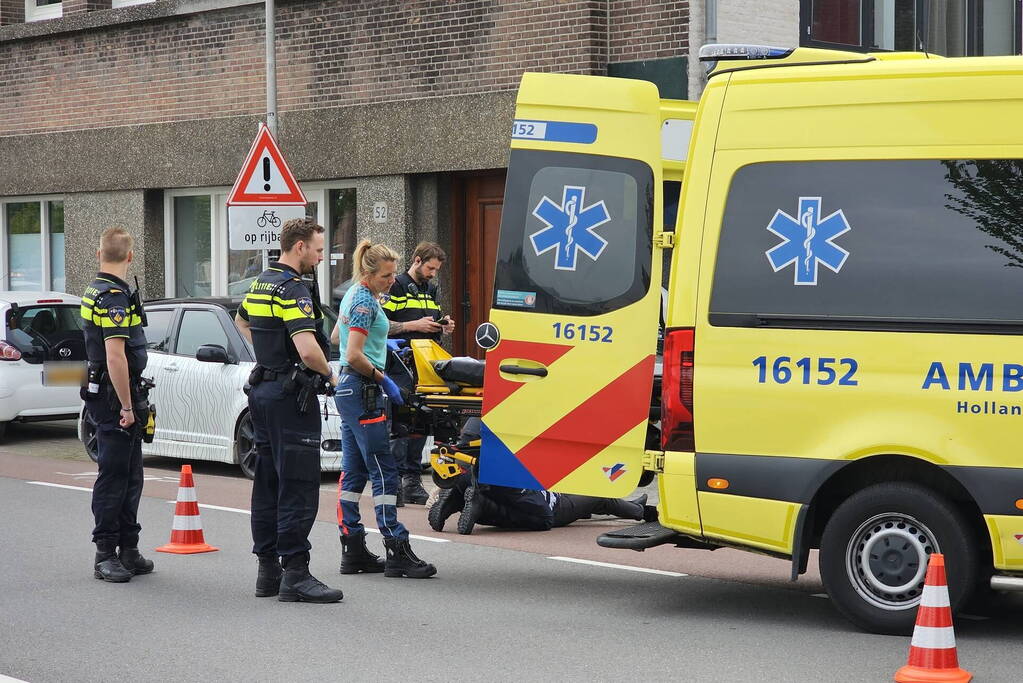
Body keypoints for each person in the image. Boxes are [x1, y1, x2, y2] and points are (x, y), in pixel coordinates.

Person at [235, 218, 343, 604]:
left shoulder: (262, 282)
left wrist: (269, 357)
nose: (319, 256)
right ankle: (295, 572)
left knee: (267, 481)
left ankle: (268, 570)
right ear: (299, 247)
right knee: (297, 484)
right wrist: (329, 375)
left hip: (263, 391)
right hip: (289, 400)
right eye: (316, 249)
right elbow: (310, 349)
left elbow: (242, 320)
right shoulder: (292, 289)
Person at [331, 239, 437, 579]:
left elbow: (337, 336)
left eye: (393, 275)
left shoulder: (354, 295)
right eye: (387, 276)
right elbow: (352, 354)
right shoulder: (364, 301)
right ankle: (396, 546)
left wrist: (384, 335)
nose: (392, 281)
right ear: (369, 273)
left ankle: (353, 546)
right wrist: (383, 378)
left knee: (354, 471)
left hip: (349, 391)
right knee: (383, 470)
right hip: (364, 389)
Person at [80, 227, 154, 583]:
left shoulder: (97, 289)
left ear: (99, 255)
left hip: (114, 394)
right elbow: (116, 356)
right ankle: (105, 553)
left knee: (131, 474)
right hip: (114, 398)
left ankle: (129, 548)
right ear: (129, 257)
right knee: (114, 475)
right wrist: (126, 406)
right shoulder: (111, 297)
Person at [382, 242, 455, 506]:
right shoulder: (396, 285)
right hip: (400, 363)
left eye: (436, 269)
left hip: (425, 364)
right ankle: (396, 484)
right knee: (400, 424)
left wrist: (442, 325)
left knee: (421, 423)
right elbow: (382, 326)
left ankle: (412, 481)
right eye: (430, 268)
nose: (434, 273)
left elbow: (430, 325)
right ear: (416, 260)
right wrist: (414, 325)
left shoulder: (430, 289)